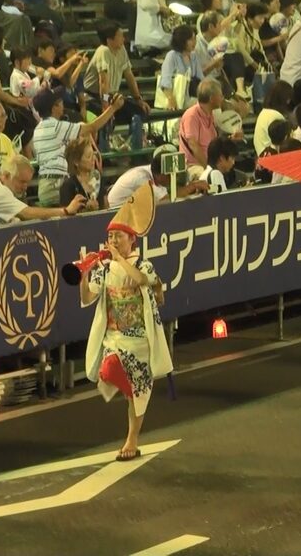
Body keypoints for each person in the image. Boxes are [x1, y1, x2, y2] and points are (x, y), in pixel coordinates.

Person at [80, 184, 172, 462]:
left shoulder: (142, 265)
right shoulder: (105, 268)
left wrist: (120, 259)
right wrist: (84, 275)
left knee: (139, 392)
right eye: (110, 237)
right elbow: (87, 297)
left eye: (118, 236)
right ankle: (129, 395)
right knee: (110, 370)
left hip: (139, 339)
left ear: (132, 239)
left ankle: (132, 437)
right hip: (114, 336)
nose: (113, 241)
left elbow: (143, 279)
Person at [32, 87, 123, 207]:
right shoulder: (56, 127)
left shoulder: (37, 130)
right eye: (59, 102)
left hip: (44, 186)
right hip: (56, 185)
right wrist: (113, 108)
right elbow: (92, 127)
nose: (62, 104)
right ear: (54, 107)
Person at [0, 155, 87, 231]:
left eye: (27, 183)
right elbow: (26, 213)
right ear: (6, 175)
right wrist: (64, 211)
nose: (25, 187)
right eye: (21, 182)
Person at [84, 21, 151, 125]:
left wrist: (138, 99)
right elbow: (103, 82)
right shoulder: (103, 51)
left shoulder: (121, 49)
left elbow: (129, 75)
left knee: (139, 111)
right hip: (95, 96)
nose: (123, 39)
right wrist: (105, 106)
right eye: (120, 36)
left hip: (112, 95)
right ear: (109, 39)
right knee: (104, 118)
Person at [107, 157, 209, 206]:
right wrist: (193, 186)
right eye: (168, 176)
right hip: (114, 212)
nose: (172, 178)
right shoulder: (141, 177)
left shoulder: (154, 173)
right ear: (161, 174)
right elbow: (165, 199)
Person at [178, 78, 223, 179]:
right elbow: (194, 145)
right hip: (193, 166)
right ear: (212, 98)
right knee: (213, 178)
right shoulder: (191, 116)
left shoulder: (212, 114)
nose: (222, 98)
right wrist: (209, 169)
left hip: (211, 165)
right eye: (220, 95)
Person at [59, 138, 104, 211]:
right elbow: (65, 216)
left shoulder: (98, 178)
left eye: (93, 154)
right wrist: (86, 209)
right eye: (89, 156)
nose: (93, 159)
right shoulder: (68, 186)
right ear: (76, 161)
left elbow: (106, 207)